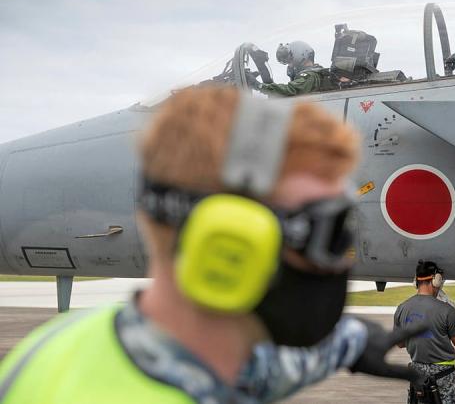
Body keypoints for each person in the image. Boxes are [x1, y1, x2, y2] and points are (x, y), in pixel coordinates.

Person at [0, 86, 423, 403]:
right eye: (329, 230)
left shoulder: (54, 346)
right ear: (231, 245)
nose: (340, 259)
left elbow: (251, 369)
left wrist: (346, 342)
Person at [394, 260, 455, 404]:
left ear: (416, 280)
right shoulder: (446, 310)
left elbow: (399, 343)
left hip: (419, 381)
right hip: (445, 381)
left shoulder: (402, 309)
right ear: (435, 280)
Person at [260, 41, 348, 96]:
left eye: (290, 62)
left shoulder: (310, 76)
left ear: (300, 56)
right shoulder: (318, 73)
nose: (289, 66)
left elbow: (290, 90)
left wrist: (259, 86)